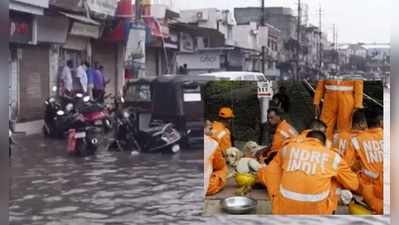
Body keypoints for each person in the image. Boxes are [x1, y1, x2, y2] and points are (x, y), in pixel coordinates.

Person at [258, 130, 359, 214]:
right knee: (334, 178)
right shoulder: (333, 157)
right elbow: (354, 185)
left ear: (305, 139)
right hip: (317, 212)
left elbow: (270, 173)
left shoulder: (288, 149)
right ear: (323, 144)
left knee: (278, 171)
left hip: (284, 209)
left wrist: (275, 195)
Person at [352, 108, 384, 214]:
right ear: (381, 122)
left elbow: (350, 166)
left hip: (369, 193)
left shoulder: (356, 140)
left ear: (366, 123)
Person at [204, 121, 228, 196]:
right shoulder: (213, 142)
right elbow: (219, 165)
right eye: (210, 128)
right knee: (223, 169)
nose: (212, 131)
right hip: (206, 187)